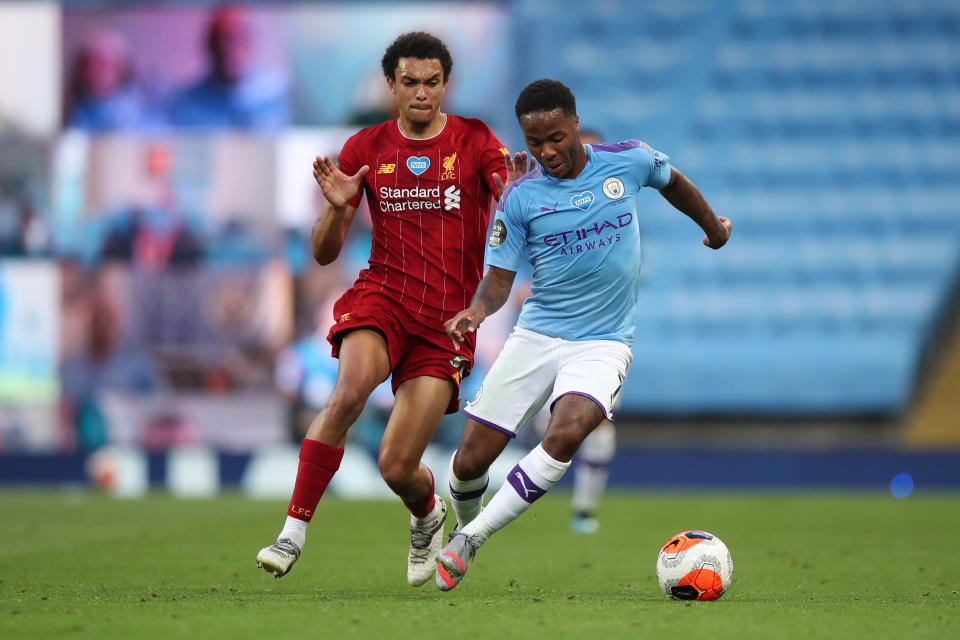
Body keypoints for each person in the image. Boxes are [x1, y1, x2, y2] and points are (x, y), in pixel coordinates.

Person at [255, 32, 531, 587]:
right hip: (383, 297)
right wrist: (336, 211)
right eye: (410, 83)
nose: (422, 93)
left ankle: (427, 514)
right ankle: (292, 531)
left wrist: (517, 196)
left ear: (445, 85)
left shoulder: (475, 140)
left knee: (396, 465)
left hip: (445, 322)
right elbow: (323, 251)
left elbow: (511, 202)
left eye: (432, 83)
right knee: (348, 392)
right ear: (391, 86)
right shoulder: (366, 147)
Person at [435, 79, 731, 591]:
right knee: (468, 464)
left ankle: (471, 538)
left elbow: (675, 182)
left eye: (555, 137)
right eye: (535, 143)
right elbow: (500, 279)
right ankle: (467, 524)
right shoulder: (519, 197)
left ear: (574, 122)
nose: (546, 152)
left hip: (605, 341)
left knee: (568, 430)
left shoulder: (629, 160)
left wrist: (713, 228)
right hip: (538, 337)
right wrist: (478, 310)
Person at [169, 6, 289, 130]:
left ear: (250, 43)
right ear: (210, 45)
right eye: (224, 38)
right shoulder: (187, 103)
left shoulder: (276, 94)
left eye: (239, 37)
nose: (230, 49)